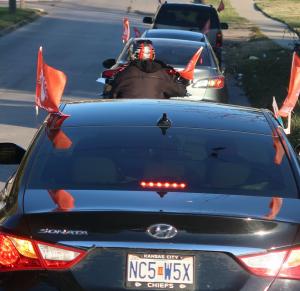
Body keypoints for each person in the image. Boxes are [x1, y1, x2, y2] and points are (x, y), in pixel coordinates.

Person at [109, 40, 188, 99]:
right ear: (152, 55)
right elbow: (180, 92)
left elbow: (112, 94)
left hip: (128, 112)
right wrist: (184, 82)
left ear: (134, 55)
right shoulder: (164, 73)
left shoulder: (124, 72)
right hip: (154, 114)